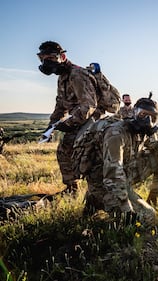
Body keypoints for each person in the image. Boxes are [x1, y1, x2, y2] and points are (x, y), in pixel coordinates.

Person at [77, 95, 158, 224]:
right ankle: (97, 198)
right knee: (148, 217)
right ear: (134, 112)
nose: (147, 120)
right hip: (106, 183)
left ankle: (151, 201)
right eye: (143, 114)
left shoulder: (141, 131)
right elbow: (113, 175)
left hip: (125, 174)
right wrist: (126, 208)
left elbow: (156, 146)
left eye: (153, 117)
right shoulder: (116, 133)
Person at [37, 41, 98, 193]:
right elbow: (61, 105)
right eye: (42, 59)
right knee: (64, 151)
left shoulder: (77, 74)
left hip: (92, 118)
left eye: (50, 58)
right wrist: (50, 127)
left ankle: (89, 191)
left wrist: (69, 123)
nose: (46, 63)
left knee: (77, 153)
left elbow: (89, 105)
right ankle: (72, 188)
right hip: (79, 119)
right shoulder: (62, 77)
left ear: (62, 56)